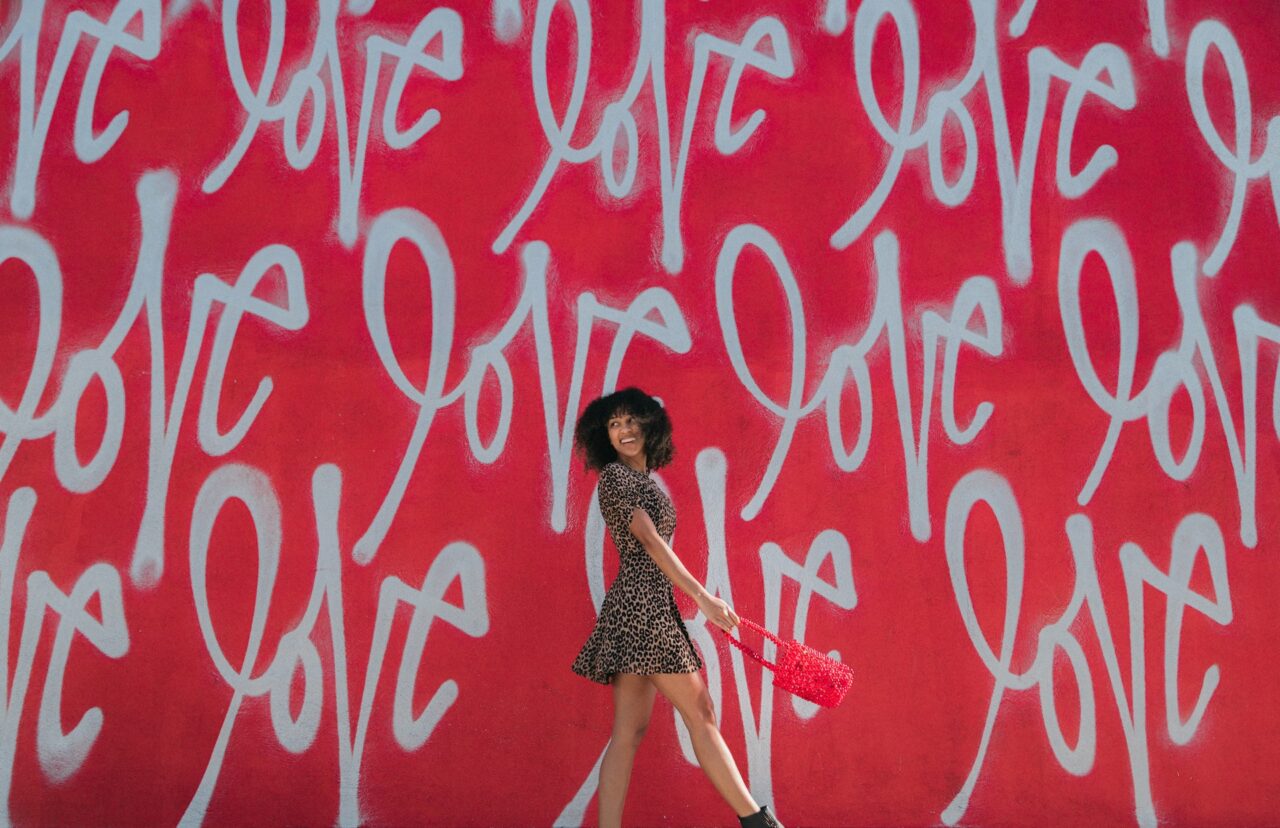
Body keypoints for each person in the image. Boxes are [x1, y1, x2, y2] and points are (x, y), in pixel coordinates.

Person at [571, 387, 783, 828]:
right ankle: (756, 821)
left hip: (639, 607)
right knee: (700, 712)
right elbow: (648, 541)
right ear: (603, 438)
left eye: (631, 421)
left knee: (629, 733)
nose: (624, 430)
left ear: (649, 424)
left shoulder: (641, 480)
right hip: (643, 608)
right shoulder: (616, 478)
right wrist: (703, 598)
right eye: (614, 424)